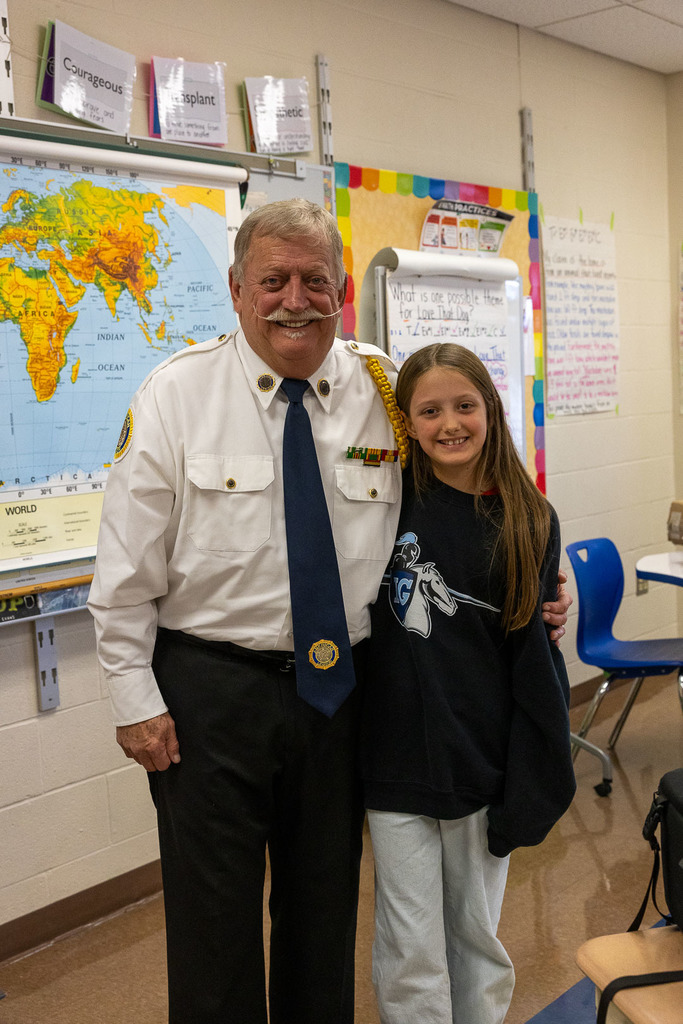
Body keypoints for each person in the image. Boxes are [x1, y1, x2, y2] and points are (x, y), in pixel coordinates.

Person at [87, 199, 571, 1024]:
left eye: (315, 280)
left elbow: (477, 480)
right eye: (272, 280)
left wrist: (535, 581)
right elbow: (125, 565)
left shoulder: (383, 385)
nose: (294, 299)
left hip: (342, 691)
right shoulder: (176, 394)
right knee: (214, 925)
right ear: (237, 290)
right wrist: (134, 700)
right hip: (210, 695)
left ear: (343, 289)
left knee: (322, 913)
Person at [360, 343, 577, 1024]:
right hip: (393, 762)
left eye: (464, 405)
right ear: (407, 422)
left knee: (474, 937)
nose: (448, 423)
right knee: (408, 944)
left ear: (491, 409)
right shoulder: (382, 502)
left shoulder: (527, 518)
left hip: (481, 762)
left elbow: (533, 665)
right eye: (428, 410)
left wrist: (531, 775)